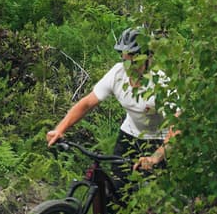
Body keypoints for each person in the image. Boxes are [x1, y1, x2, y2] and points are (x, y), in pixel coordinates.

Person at [46, 27, 178, 170]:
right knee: (117, 184)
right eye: (125, 61)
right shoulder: (117, 73)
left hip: (158, 139)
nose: (129, 68)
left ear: (148, 58)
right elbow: (87, 104)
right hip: (129, 134)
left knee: (151, 188)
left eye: (135, 63)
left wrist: (155, 157)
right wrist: (60, 129)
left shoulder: (161, 83)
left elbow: (177, 126)